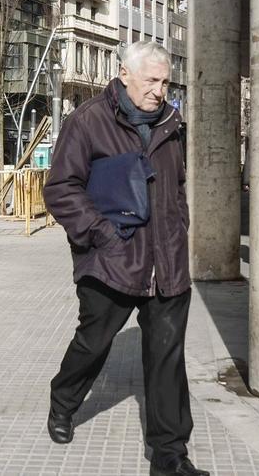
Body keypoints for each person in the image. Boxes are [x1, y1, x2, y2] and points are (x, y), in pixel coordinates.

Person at [43, 41, 207, 476]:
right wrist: (103, 236)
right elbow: (60, 188)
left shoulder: (172, 123)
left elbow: (175, 189)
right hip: (111, 260)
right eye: (151, 80)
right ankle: (63, 402)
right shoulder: (88, 122)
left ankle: (170, 456)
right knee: (93, 343)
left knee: (168, 360)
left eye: (165, 81)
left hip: (168, 264)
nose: (159, 90)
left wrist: (179, 230)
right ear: (124, 75)